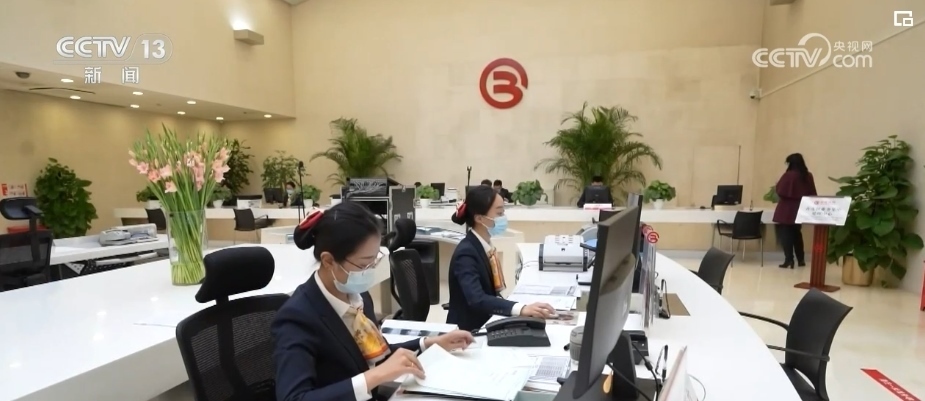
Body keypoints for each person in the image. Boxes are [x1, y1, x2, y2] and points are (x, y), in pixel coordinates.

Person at [272, 202, 475, 401]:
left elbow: (376, 352)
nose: (369, 271)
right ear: (328, 261)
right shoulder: (298, 317)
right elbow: (294, 397)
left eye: (374, 261)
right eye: (363, 264)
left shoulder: (358, 296)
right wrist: (375, 376)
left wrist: (429, 343)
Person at [446, 185, 555, 330]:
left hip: (486, 320)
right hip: (467, 331)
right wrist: (521, 309)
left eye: (503, 212)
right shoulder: (466, 253)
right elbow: (476, 299)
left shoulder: (484, 245)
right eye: (499, 213)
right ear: (479, 218)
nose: (503, 217)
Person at [773, 153, 817, 269]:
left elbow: (779, 190)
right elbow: (813, 193)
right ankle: (801, 260)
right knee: (797, 234)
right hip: (800, 209)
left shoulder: (788, 175)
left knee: (786, 236)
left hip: (786, 209)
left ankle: (789, 260)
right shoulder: (808, 175)